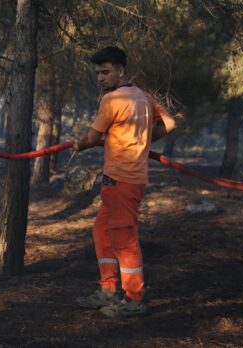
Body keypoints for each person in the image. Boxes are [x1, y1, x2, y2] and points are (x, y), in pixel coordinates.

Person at [72, 46, 176, 318]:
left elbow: (93, 139)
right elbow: (170, 124)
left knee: (125, 241)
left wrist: (80, 145)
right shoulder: (143, 96)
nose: (100, 78)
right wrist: (142, 140)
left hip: (122, 180)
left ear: (121, 70)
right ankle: (107, 289)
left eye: (105, 72)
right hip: (122, 180)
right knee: (101, 231)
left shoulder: (112, 100)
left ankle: (134, 298)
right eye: (97, 73)